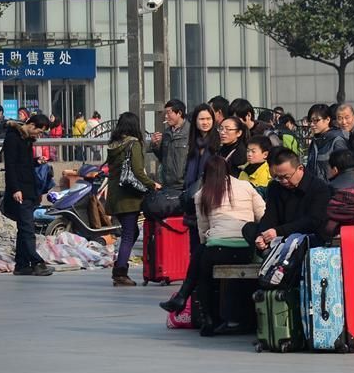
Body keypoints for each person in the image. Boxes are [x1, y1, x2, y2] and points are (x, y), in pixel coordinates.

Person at [194, 155, 266, 336]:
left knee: (204, 277)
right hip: (244, 248)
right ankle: (245, 318)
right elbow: (262, 214)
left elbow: (203, 229)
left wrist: (207, 243)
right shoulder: (246, 186)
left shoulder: (202, 193)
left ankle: (209, 317)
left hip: (216, 249)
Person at [159, 104, 220, 314]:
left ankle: (191, 301)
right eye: (201, 119)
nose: (205, 122)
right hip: (192, 204)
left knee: (202, 255)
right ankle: (197, 307)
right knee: (195, 252)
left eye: (208, 119)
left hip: (211, 203)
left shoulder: (217, 143)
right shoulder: (193, 144)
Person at [105, 112, 160, 286]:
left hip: (115, 195)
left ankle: (119, 266)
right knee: (129, 233)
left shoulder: (114, 145)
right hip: (128, 196)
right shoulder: (133, 144)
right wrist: (152, 184)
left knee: (131, 232)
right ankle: (120, 272)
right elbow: (137, 171)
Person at [242, 148, 331, 250]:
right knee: (250, 229)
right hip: (280, 235)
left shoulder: (319, 187)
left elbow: (313, 220)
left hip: (305, 235)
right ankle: (268, 252)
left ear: (300, 169)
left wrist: (279, 231)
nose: (283, 181)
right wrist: (262, 235)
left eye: (287, 177)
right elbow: (270, 216)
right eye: (278, 177)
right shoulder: (275, 186)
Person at [2, 114, 54, 276]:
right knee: (27, 228)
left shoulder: (25, 140)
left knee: (24, 228)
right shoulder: (12, 138)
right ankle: (37, 262)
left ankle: (22, 265)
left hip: (29, 189)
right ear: (30, 124)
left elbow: (23, 163)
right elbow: (10, 166)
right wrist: (15, 189)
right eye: (38, 131)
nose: (38, 135)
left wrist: (36, 161)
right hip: (20, 191)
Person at [149, 99, 190, 189]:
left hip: (183, 184)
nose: (166, 117)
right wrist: (154, 144)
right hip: (167, 184)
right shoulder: (167, 133)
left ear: (179, 113)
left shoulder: (190, 132)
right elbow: (162, 157)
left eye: (169, 113)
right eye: (165, 114)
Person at [306, 103, 348, 181]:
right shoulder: (315, 141)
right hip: (315, 189)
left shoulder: (337, 140)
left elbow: (344, 171)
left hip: (332, 189)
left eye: (316, 120)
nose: (312, 124)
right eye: (310, 121)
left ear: (328, 120)